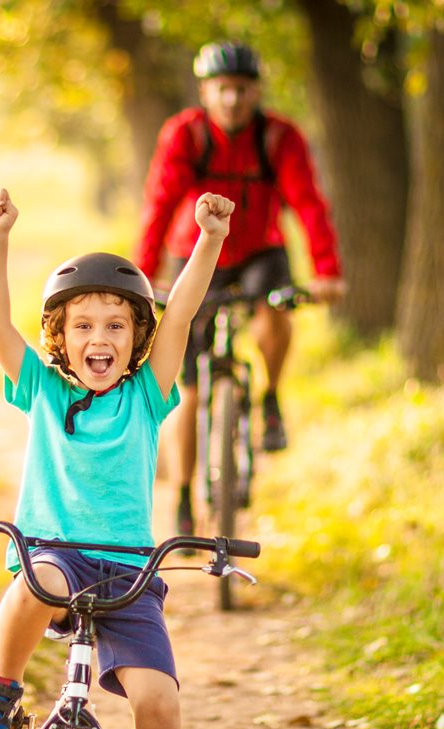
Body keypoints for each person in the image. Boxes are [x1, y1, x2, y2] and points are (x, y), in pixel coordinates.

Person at [0, 185, 235, 729]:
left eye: (116, 326)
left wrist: (207, 239)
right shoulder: (45, 392)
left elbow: (181, 314)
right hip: (56, 553)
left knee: (160, 702)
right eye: (83, 326)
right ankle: (1, 687)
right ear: (60, 338)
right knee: (37, 581)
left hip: (131, 574)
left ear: (136, 339)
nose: (100, 340)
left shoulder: (149, 394)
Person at [135, 40, 344, 538]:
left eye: (243, 90)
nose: (233, 100)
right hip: (198, 254)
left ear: (256, 92)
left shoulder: (279, 138)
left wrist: (327, 270)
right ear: (206, 91)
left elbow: (309, 203)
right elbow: (159, 203)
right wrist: (142, 275)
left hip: (259, 252)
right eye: (223, 89)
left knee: (276, 308)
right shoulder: (184, 135)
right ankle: (183, 500)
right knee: (185, 389)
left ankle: (270, 397)